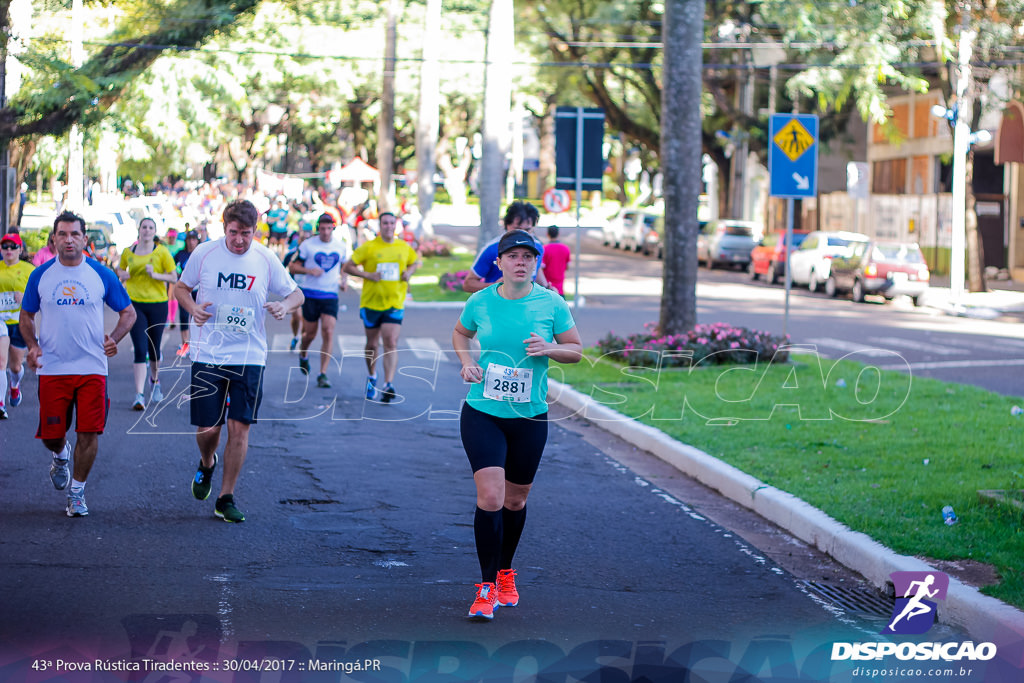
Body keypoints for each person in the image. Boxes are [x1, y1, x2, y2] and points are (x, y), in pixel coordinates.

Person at [451, 229, 582, 619]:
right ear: (500, 262)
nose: (521, 262)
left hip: (529, 416)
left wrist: (550, 348)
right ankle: (485, 587)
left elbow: (576, 350)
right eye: (513, 256)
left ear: (535, 262)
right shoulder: (480, 301)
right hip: (483, 411)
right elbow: (460, 333)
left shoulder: (551, 303)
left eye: (528, 256)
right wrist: (466, 362)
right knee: (490, 497)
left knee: (515, 499)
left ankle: (506, 571)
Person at [174, 199, 304, 523]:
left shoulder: (265, 258)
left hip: (249, 355)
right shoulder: (204, 254)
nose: (239, 240)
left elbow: (296, 293)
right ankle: (207, 464)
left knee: (240, 429)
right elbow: (180, 288)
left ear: (255, 230)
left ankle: (225, 496)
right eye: (233, 233)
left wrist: (284, 307)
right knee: (208, 429)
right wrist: (192, 309)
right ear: (224, 227)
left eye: (246, 233)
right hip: (208, 352)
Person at [18, 211, 136, 517]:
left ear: (84, 239)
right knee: (51, 436)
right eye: (62, 234)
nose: (69, 239)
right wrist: (32, 346)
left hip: (92, 367)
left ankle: (77, 492)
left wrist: (115, 338)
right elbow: (26, 316)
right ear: (54, 238)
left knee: (89, 432)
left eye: (74, 234)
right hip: (53, 367)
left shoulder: (101, 274)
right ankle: (60, 455)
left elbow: (128, 313)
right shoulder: (40, 276)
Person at [343, 211, 420, 403]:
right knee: (372, 344)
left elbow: (414, 262)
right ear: (380, 225)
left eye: (391, 223)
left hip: (394, 302)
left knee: (391, 341)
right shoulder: (369, 247)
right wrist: (368, 276)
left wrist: (408, 273)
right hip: (371, 302)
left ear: (396, 225)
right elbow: (348, 266)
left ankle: (388, 384)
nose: (388, 226)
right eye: (385, 223)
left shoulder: (403, 247)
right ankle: (372, 376)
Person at [116, 217, 178, 410]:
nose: (147, 230)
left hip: (158, 305)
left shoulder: (161, 252)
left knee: (154, 349)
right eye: (144, 227)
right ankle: (139, 395)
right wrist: (122, 274)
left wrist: (156, 275)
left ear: (154, 231)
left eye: (151, 227)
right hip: (135, 305)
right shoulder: (129, 252)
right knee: (140, 349)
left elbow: (174, 277)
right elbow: (119, 268)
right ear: (139, 229)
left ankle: (155, 380)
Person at [289, 213, 349, 387]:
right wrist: (309, 271)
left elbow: (344, 266)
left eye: (328, 228)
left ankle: (322, 373)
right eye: (322, 228)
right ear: (318, 229)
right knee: (310, 334)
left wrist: (343, 279)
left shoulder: (340, 246)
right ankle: (303, 353)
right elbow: (292, 266)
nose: (325, 232)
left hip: (330, 295)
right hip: (311, 294)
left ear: (333, 228)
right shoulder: (308, 245)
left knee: (328, 331)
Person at [462, 202, 549, 293]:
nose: (522, 233)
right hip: (497, 305)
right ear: (507, 225)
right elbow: (468, 284)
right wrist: (496, 286)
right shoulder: (491, 248)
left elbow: (537, 274)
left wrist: (549, 290)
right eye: (517, 229)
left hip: (527, 306)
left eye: (527, 230)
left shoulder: (538, 247)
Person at [0, 233, 34, 415]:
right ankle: (1, 404)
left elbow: (38, 296)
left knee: (14, 366)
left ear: (20, 250)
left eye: (13, 246)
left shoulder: (29, 270)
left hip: (20, 322)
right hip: (1, 322)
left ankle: (14, 384)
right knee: (1, 362)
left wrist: (25, 298)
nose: (8, 250)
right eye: (5, 246)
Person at [281, 223, 314, 351]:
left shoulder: (314, 253)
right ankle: (296, 336)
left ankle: (302, 337)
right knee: (297, 316)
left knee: (306, 319)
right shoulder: (293, 252)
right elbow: (283, 268)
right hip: (294, 288)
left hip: (309, 289)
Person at [173, 230, 201, 356]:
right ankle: (185, 344)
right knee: (184, 317)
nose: (191, 242)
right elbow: (172, 267)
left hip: (199, 290)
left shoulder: (201, 253)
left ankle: (197, 343)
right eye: (189, 239)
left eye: (194, 239)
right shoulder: (181, 254)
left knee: (198, 316)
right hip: (184, 289)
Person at [540, 225, 572, 296]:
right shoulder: (565, 249)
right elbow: (568, 266)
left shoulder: (544, 249)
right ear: (558, 234)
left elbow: (541, 268)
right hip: (560, 289)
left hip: (548, 287)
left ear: (547, 234)